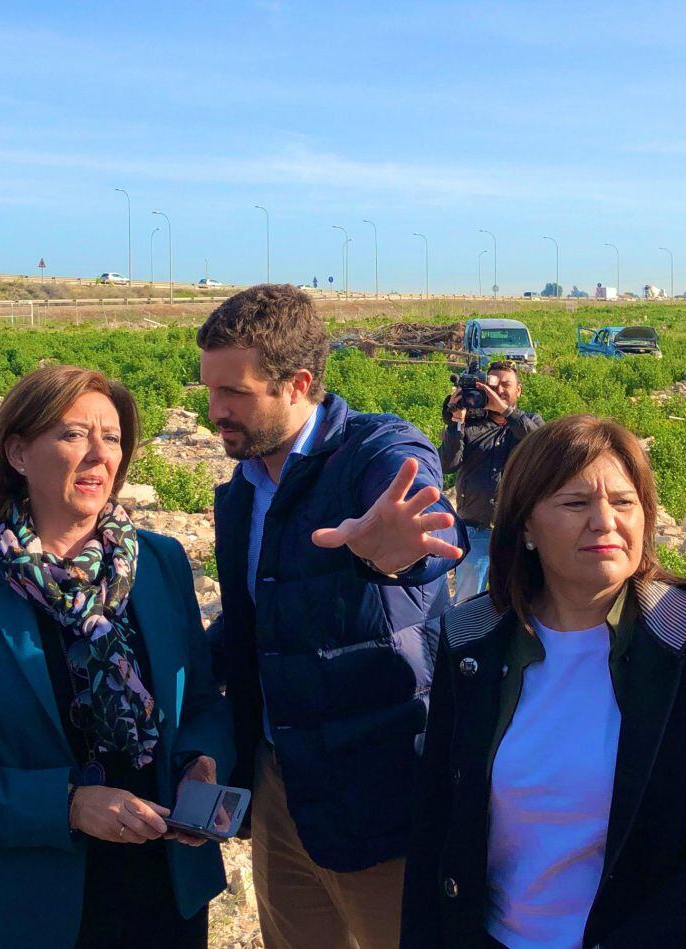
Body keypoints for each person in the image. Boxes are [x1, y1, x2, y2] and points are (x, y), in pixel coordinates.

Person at [402, 414, 686, 948]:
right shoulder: (472, 643)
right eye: (575, 503)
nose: (605, 521)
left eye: (624, 502)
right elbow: (437, 825)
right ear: (526, 525)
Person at [0, 365, 235, 948]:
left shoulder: (160, 564)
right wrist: (70, 807)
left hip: (162, 887)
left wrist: (202, 765)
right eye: (73, 434)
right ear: (19, 453)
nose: (98, 455)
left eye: (111, 437)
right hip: (22, 907)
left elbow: (202, 704)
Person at [199, 284, 467, 949]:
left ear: (299, 384)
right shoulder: (243, 491)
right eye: (209, 390)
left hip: (379, 789)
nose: (215, 411)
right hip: (281, 785)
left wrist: (397, 550)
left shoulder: (372, 451)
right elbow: (254, 624)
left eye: (234, 393)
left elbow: (421, 515)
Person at [439, 360, 543, 603]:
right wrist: (456, 421)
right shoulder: (471, 425)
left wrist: (506, 411)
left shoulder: (529, 422)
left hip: (516, 531)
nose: (498, 390)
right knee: (467, 601)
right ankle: (464, 641)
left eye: (506, 384)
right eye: (492, 384)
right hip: (475, 529)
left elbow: (540, 445)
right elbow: (447, 464)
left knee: (516, 600)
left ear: (519, 390)